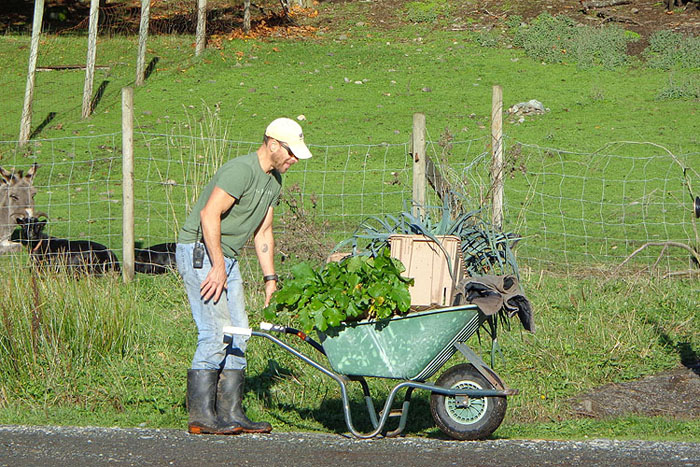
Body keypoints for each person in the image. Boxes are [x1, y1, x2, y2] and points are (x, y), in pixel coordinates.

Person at [175, 117, 312, 435]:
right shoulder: (241, 170)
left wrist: (270, 280)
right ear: (273, 144)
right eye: (291, 153)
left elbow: (263, 232)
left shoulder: (273, 181)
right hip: (201, 252)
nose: (293, 160)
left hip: (228, 258)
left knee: (239, 334)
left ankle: (232, 413)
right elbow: (209, 215)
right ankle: (201, 418)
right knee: (215, 332)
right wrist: (218, 266)